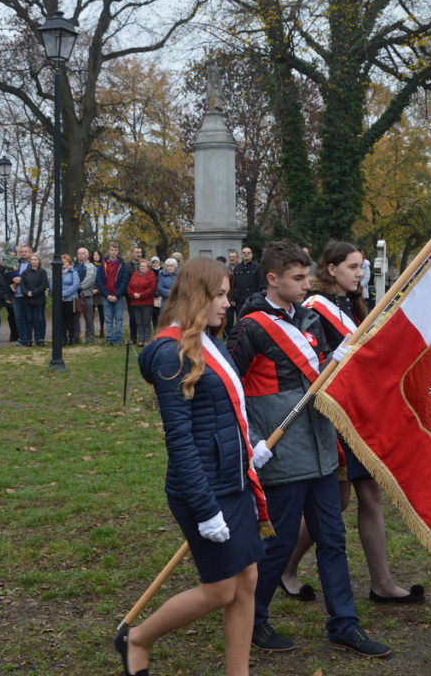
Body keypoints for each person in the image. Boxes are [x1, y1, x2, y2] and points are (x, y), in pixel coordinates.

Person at [230, 241, 390, 658]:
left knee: (333, 539)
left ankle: (344, 625)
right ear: (273, 279)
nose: (306, 285)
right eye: (298, 278)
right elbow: (232, 388)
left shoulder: (309, 319)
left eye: (306, 277)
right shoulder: (251, 326)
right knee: (279, 544)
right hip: (281, 451)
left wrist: (335, 363)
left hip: (321, 446)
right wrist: (251, 444)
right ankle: (253, 619)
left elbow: (317, 373)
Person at [127, 257, 267, 676]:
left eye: (228, 294)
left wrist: (248, 450)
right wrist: (205, 509)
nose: (228, 303)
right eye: (219, 295)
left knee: (247, 581)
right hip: (202, 489)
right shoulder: (170, 354)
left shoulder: (211, 342)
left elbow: (225, 412)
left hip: (233, 479)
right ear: (196, 296)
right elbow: (181, 440)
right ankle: (137, 639)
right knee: (222, 588)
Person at [281, 241, 423, 604]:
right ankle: (282, 566)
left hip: (361, 413)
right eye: (353, 267)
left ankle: (382, 583)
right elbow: (309, 358)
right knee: (339, 502)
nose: (360, 274)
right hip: (335, 417)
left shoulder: (350, 305)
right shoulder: (314, 307)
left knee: (371, 495)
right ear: (331, 269)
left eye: (361, 267)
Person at [228, 247, 266, 341]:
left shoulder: (257, 268)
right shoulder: (237, 268)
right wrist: (232, 298)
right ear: (241, 255)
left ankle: (253, 338)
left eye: (248, 253)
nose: (246, 254)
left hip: (252, 300)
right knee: (240, 320)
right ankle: (240, 338)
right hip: (239, 300)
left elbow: (261, 285)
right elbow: (234, 284)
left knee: (252, 321)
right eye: (244, 253)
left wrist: (259, 299)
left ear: (251, 255)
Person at [96, 242, 130, 346]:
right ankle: (109, 338)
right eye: (111, 250)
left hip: (118, 296)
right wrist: (107, 295)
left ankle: (118, 339)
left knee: (119, 319)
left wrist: (116, 295)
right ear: (108, 251)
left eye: (115, 250)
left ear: (118, 251)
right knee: (108, 319)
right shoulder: (103, 265)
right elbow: (99, 281)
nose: (113, 252)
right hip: (107, 296)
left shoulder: (122, 265)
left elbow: (125, 281)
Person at [127, 259, 156, 346]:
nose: (142, 267)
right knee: (139, 322)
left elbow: (152, 288)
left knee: (146, 322)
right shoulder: (135, 274)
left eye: (144, 266)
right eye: (141, 266)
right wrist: (133, 294)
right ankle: (141, 339)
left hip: (146, 302)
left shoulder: (151, 275)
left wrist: (141, 295)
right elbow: (129, 287)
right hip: (135, 302)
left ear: (148, 267)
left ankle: (147, 339)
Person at [20, 254, 48, 346]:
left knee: (40, 319)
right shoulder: (25, 272)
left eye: (35, 259)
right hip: (28, 300)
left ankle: (40, 339)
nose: (33, 261)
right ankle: (29, 339)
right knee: (29, 319)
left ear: (39, 261)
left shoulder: (42, 272)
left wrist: (33, 292)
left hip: (39, 299)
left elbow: (43, 285)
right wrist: (26, 292)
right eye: (32, 260)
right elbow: (22, 285)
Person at [74, 247, 96, 345]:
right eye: (79, 253)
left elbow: (90, 280)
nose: (81, 255)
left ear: (87, 255)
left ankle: (90, 338)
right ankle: (76, 337)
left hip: (87, 295)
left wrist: (78, 286)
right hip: (75, 296)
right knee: (75, 318)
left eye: (83, 253)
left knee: (89, 319)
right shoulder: (74, 266)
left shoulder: (91, 266)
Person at [56, 253, 79, 345]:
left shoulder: (73, 272)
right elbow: (52, 284)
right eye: (62, 262)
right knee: (61, 320)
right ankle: (63, 338)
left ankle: (71, 337)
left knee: (69, 319)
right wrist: (58, 294)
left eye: (65, 262)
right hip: (59, 300)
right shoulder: (57, 272)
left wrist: (63, 294)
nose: (63, 264)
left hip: (70, 299)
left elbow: (75, 285)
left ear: (69, 263)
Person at [126, 245, 144, 345]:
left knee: (143, 317)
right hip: (131, 296)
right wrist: (131, 294)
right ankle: (133, 337)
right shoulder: (127, 265)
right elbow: (126, 281)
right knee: (132, 316)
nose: (138, 254)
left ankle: (143, 337)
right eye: (136, 252)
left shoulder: (144, 264)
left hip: (143, 296)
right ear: (132, 254)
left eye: (140, 252)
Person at [91, 250, 105, 340]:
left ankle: (102, 329)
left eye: (97, 254)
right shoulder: (89, 266)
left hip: (100, 290)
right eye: (94, 255)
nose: (96, 256)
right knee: (90, 312)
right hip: (91, 289)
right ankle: (91, 330)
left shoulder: (103, 265)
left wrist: (99, 289)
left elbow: (105, 279)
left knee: (102, 312)